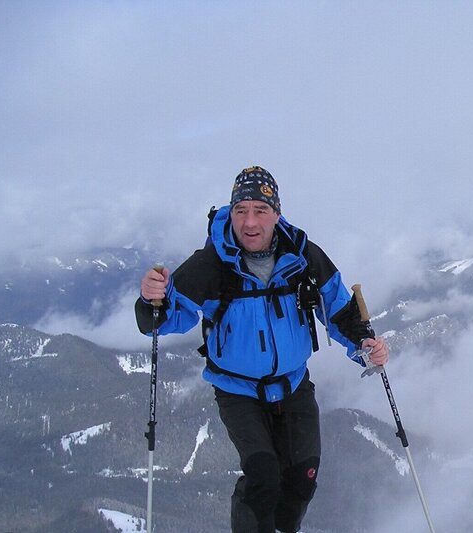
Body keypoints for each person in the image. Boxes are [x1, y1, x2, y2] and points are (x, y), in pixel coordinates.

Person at [135, 166, 389, 533]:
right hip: (238, 389)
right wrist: (150, 299)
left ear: (277, 213)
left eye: (260, 210)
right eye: (241, 210)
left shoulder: (302, 256)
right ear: (231, 212)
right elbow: (161, 319)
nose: (250, 222)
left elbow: (338, 307)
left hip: (292, 383)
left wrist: (366, 345)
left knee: (303, 476)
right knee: (263, 475)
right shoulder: (211, 263)